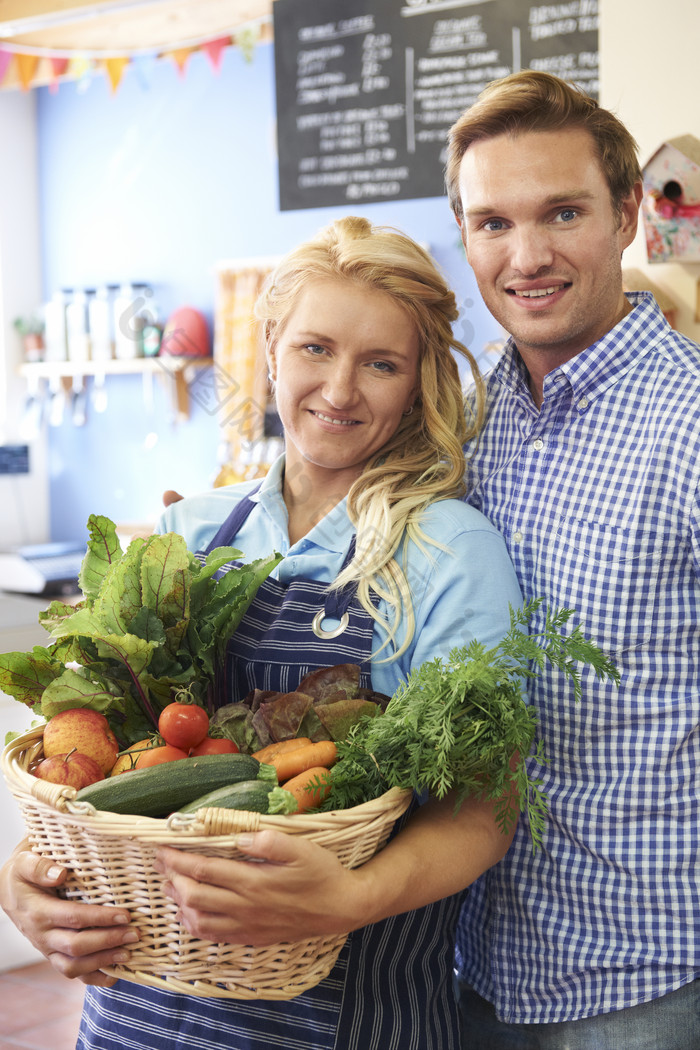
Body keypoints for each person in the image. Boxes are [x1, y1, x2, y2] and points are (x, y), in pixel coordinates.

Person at [0, 216, 524, 1050]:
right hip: (138, 1011)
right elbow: (105, 757)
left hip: (346, 1014)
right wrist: (25, 882)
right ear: (273, 347)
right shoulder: (194, 529)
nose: (340, 390)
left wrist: (351, 897)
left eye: (380, 363)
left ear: (418, 379)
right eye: (315, 348)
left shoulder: (449, 549)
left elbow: (484, 808)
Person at [445, 69, 700, 1049]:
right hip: (468, 960)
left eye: (561, 213)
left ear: (627, 212)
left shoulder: (685, 426)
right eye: (492, 223)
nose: (527, 256)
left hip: (645, 980)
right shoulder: (466, 423)